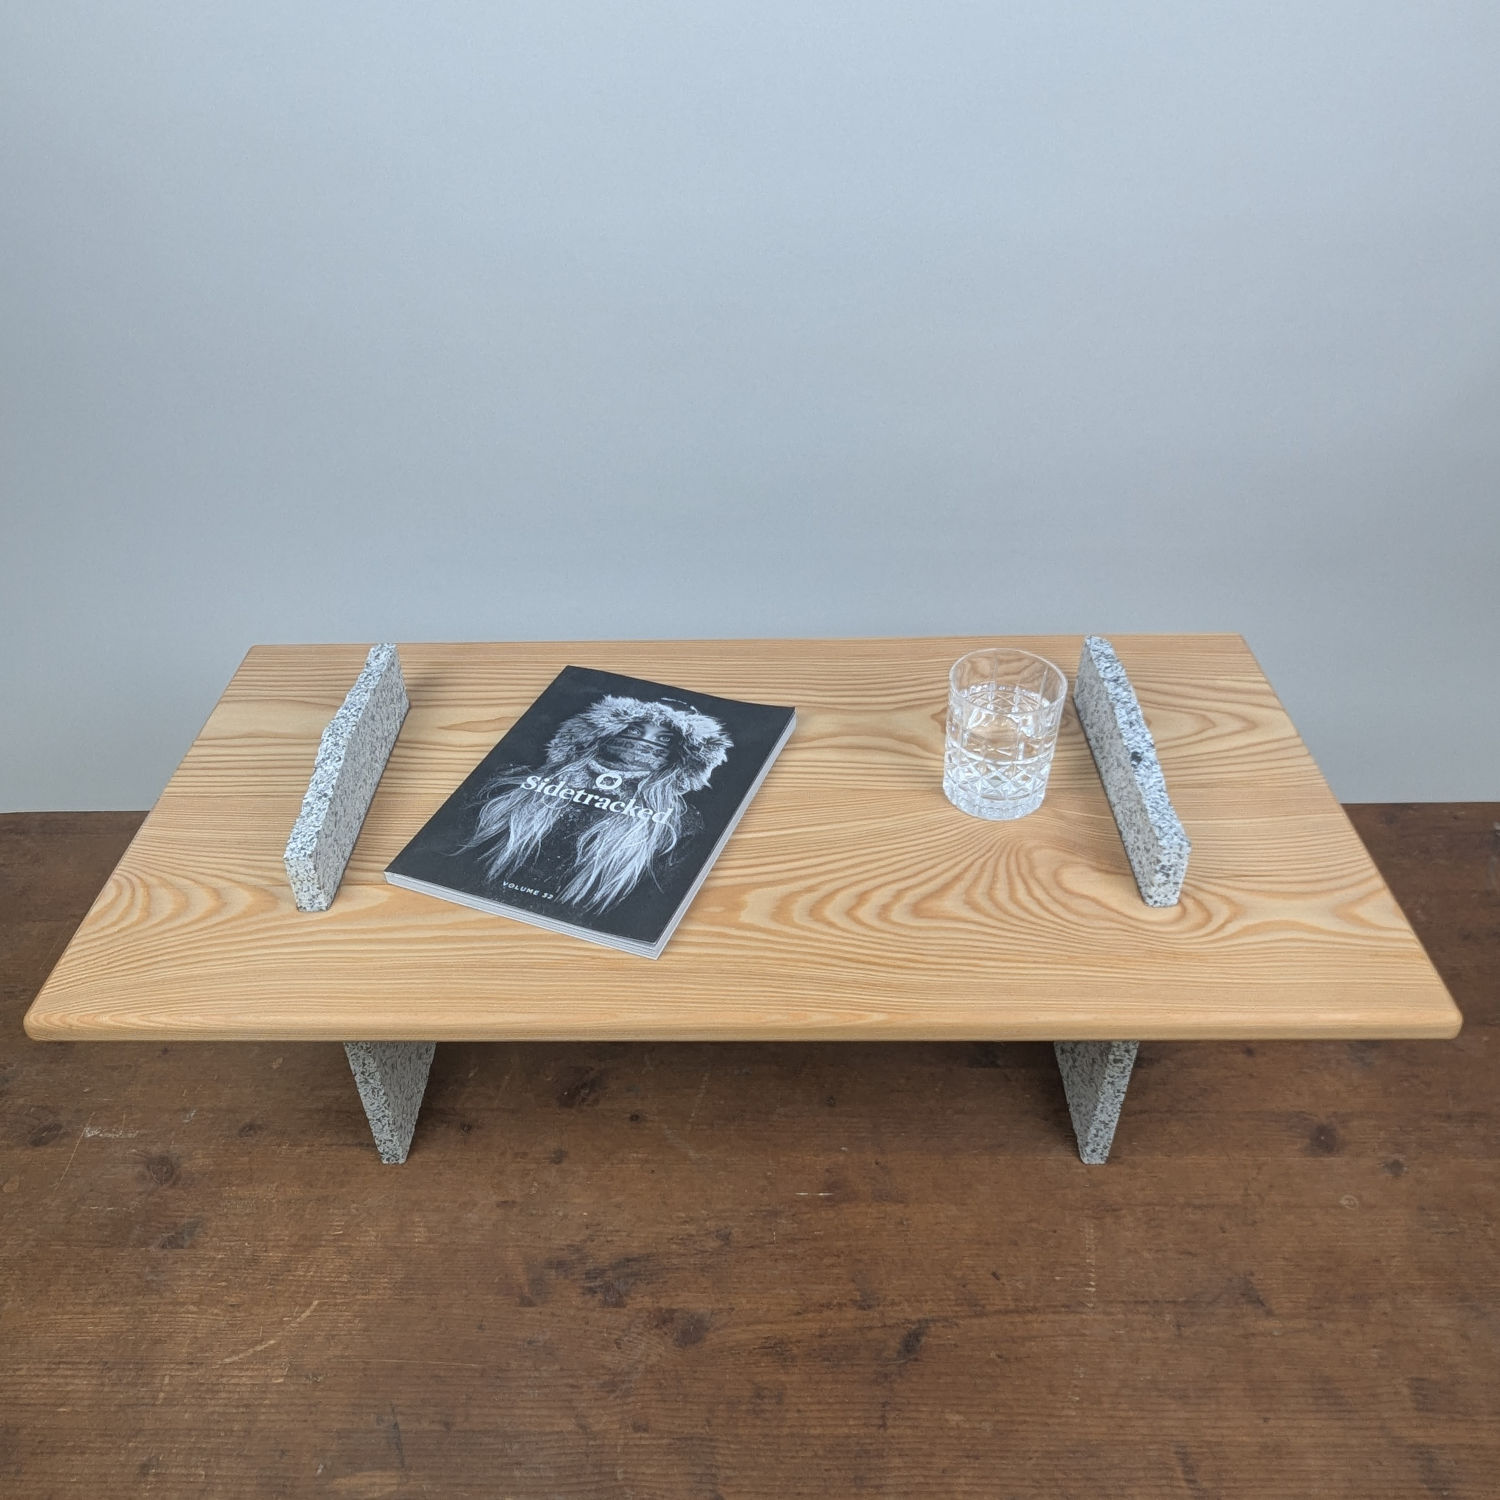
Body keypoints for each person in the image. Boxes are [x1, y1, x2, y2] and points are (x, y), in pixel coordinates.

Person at [464, 694, 733, 913]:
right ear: (602, 733)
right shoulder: (515, 781)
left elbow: (647, 906)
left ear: (681, 755)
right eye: (633, 730)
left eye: (664, 739)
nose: (642, 743)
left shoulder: (678, 824)